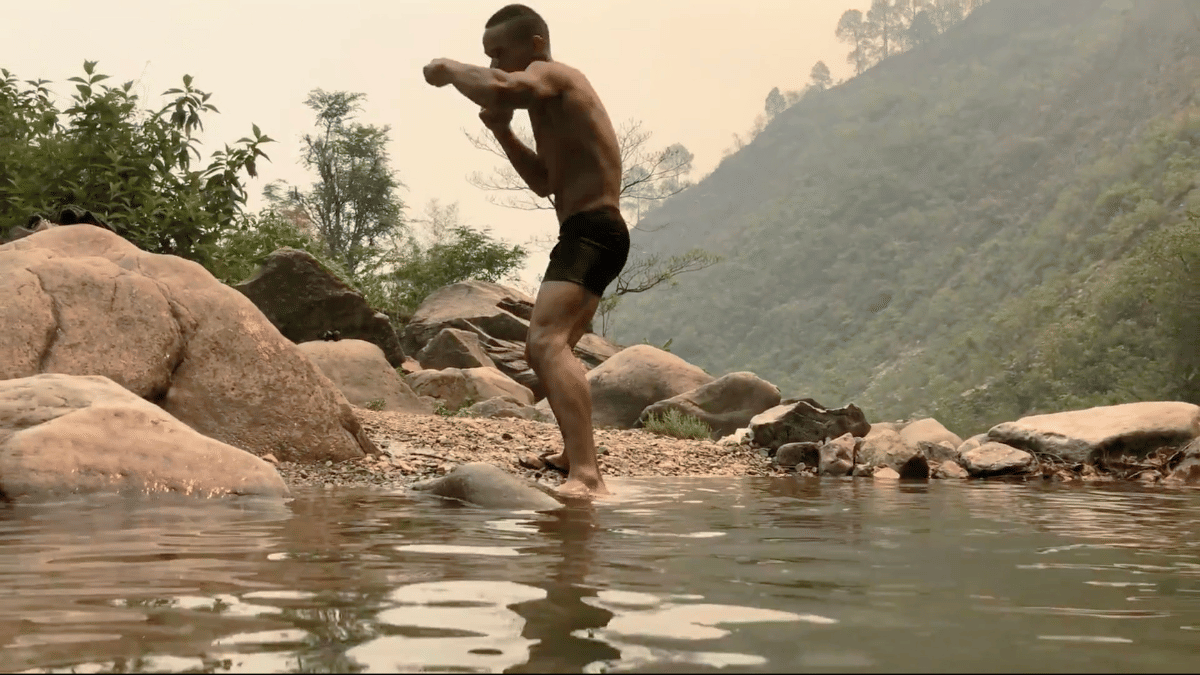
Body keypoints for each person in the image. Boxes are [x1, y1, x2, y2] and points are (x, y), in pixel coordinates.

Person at [423, 4, 627, 499]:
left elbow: (504, 89)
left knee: (544, 344)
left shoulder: (551, 74)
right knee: (551, 350)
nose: (495, 63)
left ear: (534, 44)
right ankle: (572, 455)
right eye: (486, 56)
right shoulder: (548, 105)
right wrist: (501, 131)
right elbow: (543, 183)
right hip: (587, 231)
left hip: (593, 231)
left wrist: (451, 69)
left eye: (499, 53)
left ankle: (588, 475)